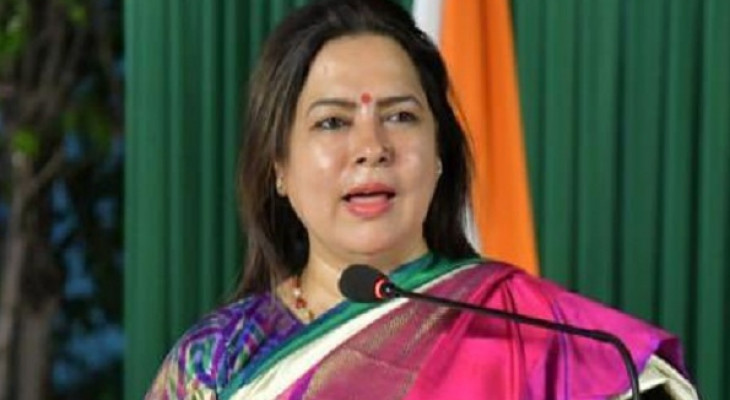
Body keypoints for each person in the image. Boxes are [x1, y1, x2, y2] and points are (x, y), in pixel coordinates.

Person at [146, 0, 698, 398]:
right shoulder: (218, 360)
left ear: (439, 154)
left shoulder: (538, 334)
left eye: (401, 117)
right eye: (333, 121)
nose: (371, 147)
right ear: (280, 169)